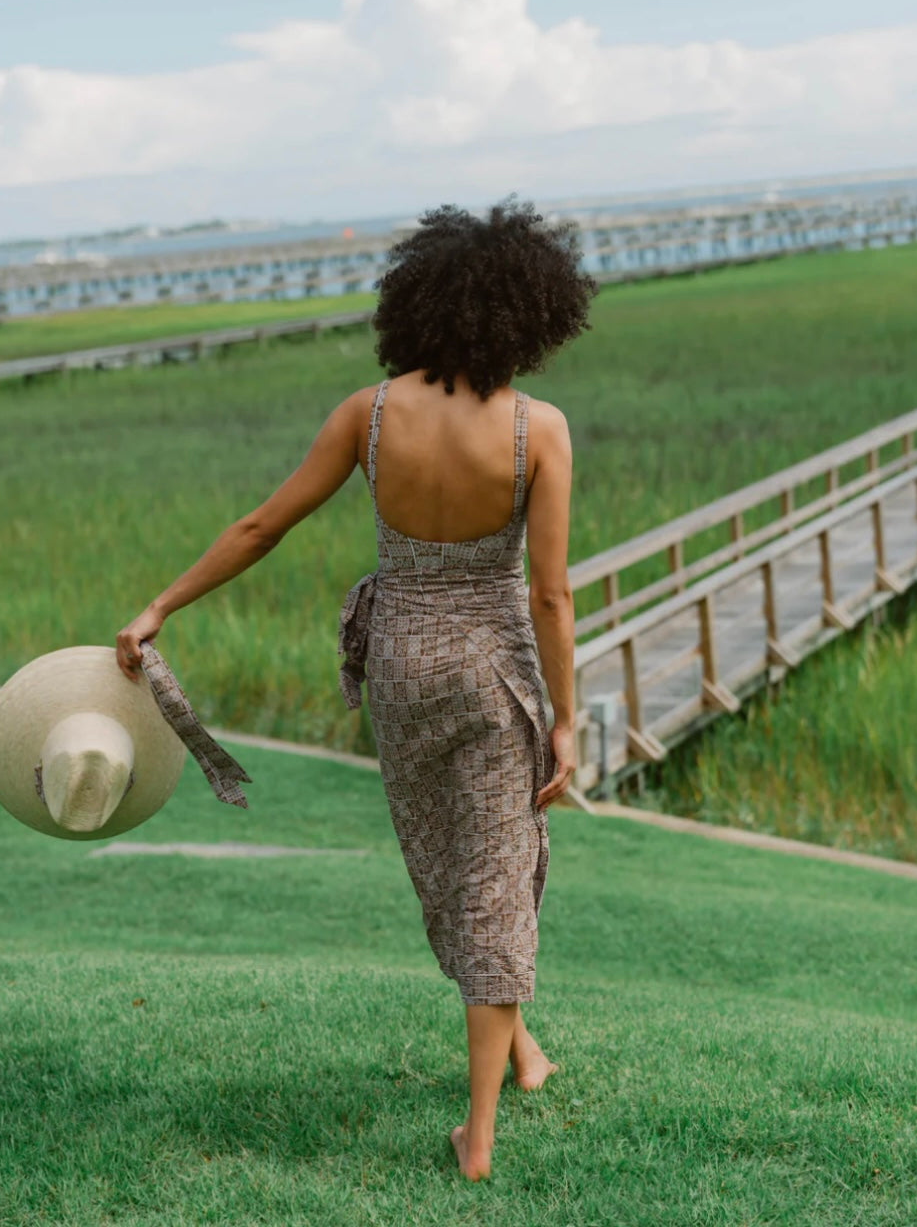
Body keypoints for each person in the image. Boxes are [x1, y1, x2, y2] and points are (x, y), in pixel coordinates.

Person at [116, 196, 596, 1181]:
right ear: (530, 315)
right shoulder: (537, 429)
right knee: (497, 873)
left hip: (403, 666)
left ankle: (525, 1054)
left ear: (415, 302)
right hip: (493, 668)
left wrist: (161, 604)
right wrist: (567, 719)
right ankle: (477, 1139)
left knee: (448, 865)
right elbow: (550, 594)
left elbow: (261, 526)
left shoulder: (369, 414)